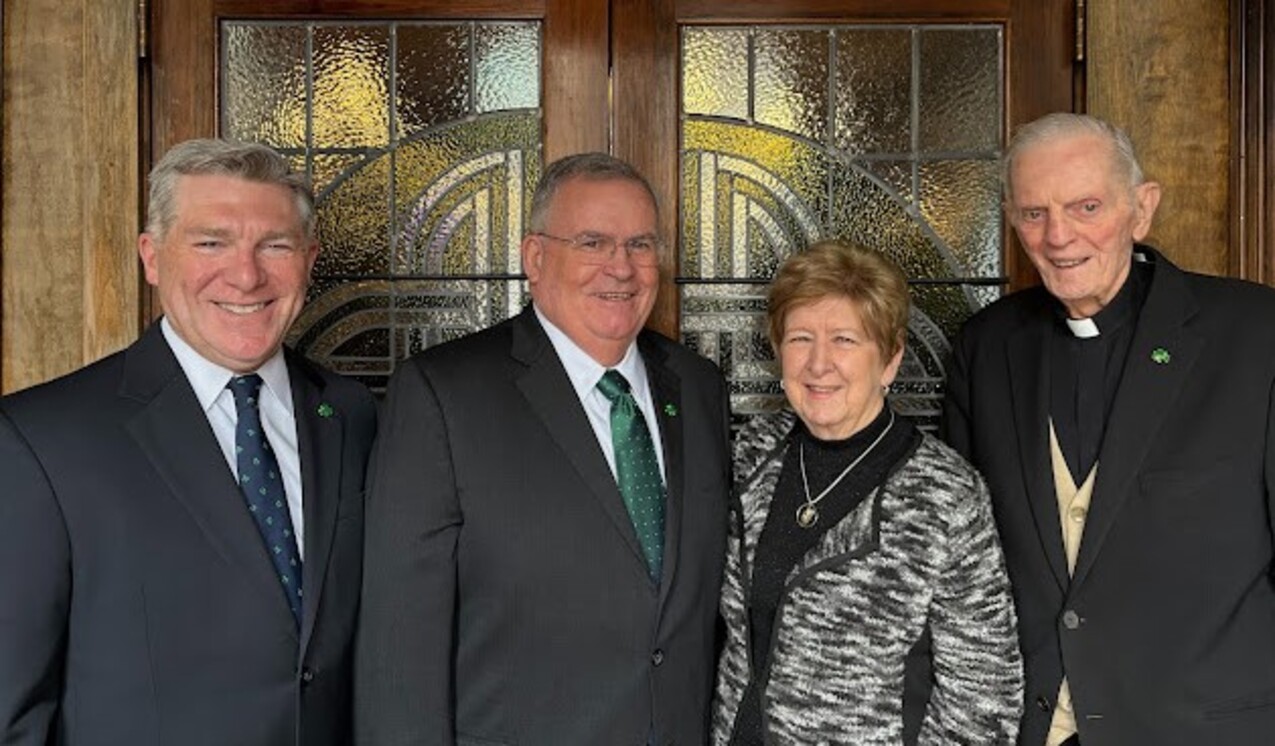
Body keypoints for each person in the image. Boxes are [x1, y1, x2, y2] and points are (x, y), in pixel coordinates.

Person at [0, 139, 377, 746]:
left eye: (274, 245)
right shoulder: (39, 439)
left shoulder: (353, 414)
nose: (247, 274)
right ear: (152, 257)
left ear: (308, 260)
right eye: (211, 242)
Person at [355, 152, 732, 745]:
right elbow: (398, 651)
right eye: (592, 243)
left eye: (640, 244)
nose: (622, 268)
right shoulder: (443, 394)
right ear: (535, 257)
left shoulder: (700, 387)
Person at [942, 112, 1275, 745]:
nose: (1059, 236)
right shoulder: (986, 349)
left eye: (1086, 206)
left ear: (1141, 208)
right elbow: (964, 573)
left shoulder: (1258, 336)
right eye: (1033, 213)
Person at [712, 240, 1023, 745]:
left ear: (890, 358)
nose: (818, 364)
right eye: (800, 339)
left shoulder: (946, 494)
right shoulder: (751, 454)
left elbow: (985, 697)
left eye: (844, 340)